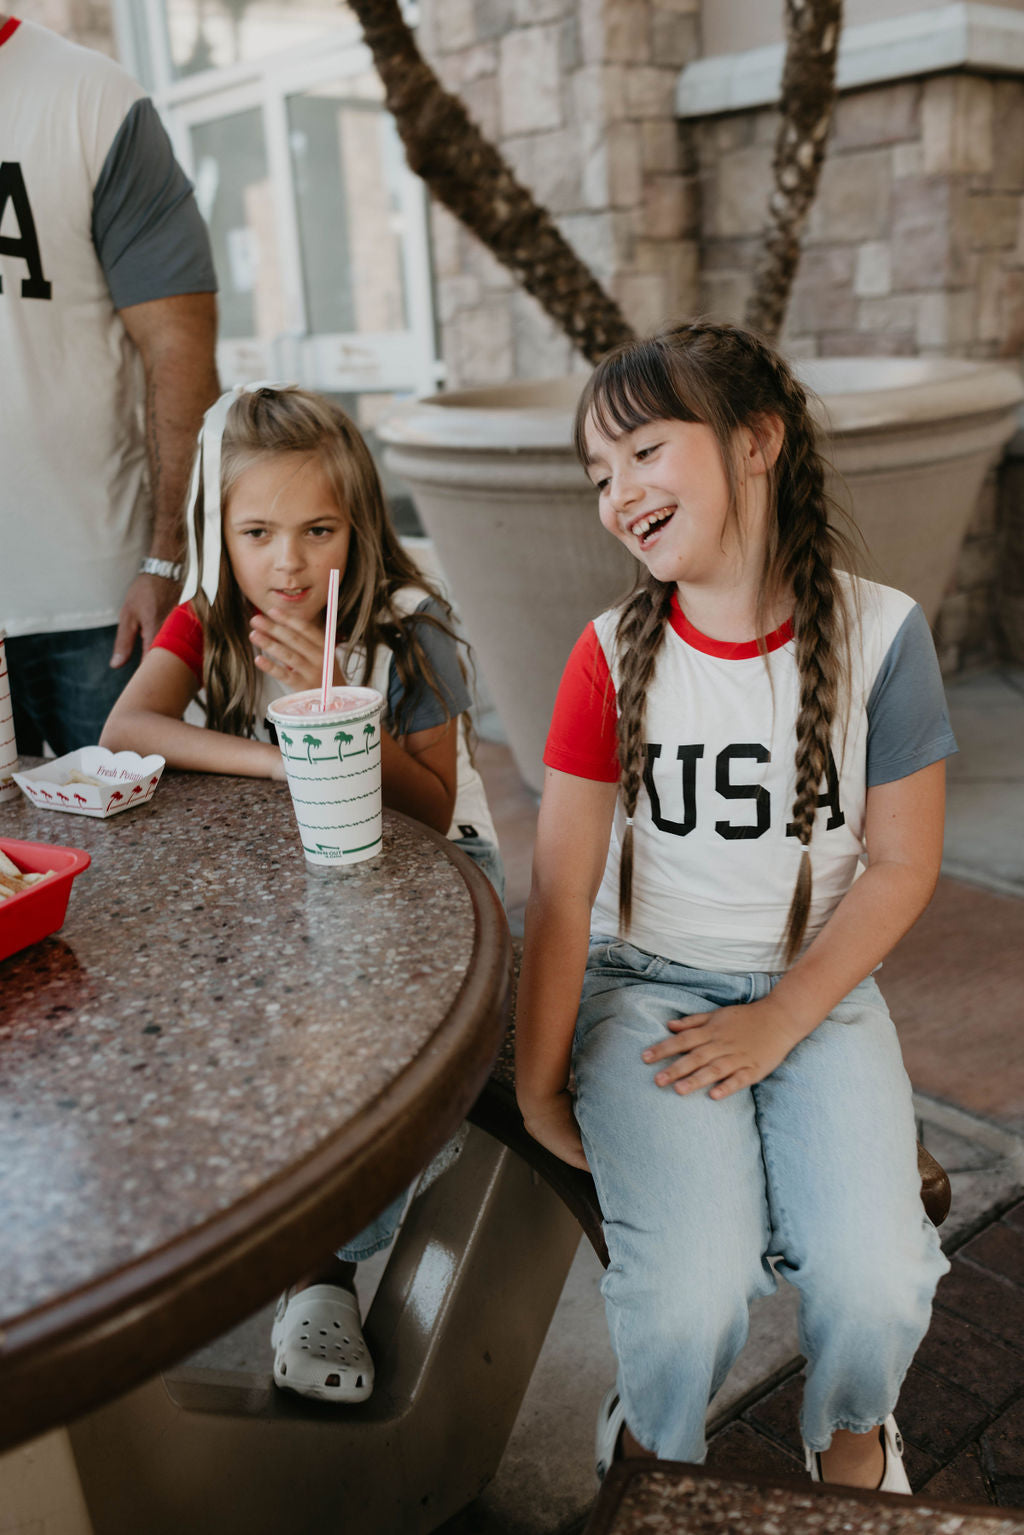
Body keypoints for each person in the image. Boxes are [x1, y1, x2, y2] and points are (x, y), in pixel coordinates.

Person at [515, 321, 955, 1494]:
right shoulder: (608, 656)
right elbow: (562, 888)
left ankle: (853, 1437)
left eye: (645, 452)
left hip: (820, 995)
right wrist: (535, 1078)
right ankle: (654, 1455)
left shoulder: (882, 636)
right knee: (690, 1291)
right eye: (599, 475)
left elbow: (903, 865)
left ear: (755, 441)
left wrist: (781, 1019)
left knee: (873, 1277)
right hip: (648, 987)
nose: (619, 493)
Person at [102, 383, 502, 1404]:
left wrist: (339, 732)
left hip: (435, 872)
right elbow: (128, 728)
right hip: (294, 866)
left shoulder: (412, 628)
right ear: (218, 532)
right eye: (258, 530)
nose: (287, 561)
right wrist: (284, 759)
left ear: (359, 525)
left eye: (318, 528)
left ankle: (318, 1270)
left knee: (380, 1059)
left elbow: (429, 801)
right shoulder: (211, 615)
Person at [0, 14, 219, 756]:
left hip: (96, 605)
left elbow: (179, 346)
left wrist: (166, 557)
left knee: (130, 861)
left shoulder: (92, 100)